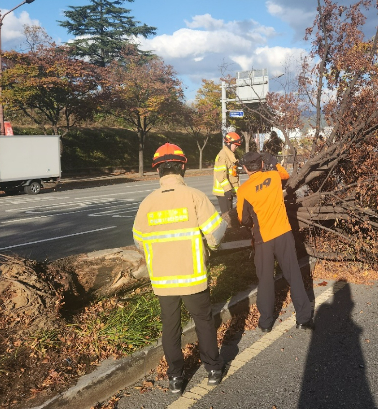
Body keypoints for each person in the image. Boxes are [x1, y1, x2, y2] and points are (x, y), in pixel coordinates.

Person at [133, 143, 226, 395]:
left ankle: (175, 378)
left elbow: (138, 241)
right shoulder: (195, 197)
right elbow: (216, 233)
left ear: (158, 171)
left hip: (163, 280)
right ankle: (213, 370)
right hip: (193, 276)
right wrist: (211, 248)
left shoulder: (147, 203)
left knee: (170, 327)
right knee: (204, 322)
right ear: (183, 166)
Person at [236, 151, 313, 332]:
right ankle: (304, 318)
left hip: (263, 239)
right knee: (293, 274)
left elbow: (243, 219)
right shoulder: (273, 176)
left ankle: (266, 323)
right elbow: (285, 175)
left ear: (245, 169)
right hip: (284, 233)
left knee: (265, 280)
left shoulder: (243, 190)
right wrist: (272, 160)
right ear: (262, 165)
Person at [213, 131, 242, 214]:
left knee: (230, 214)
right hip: (224, 192)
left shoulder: (230, 155)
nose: (237, 147)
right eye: (235, 145)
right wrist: (227, 190)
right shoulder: (223, 156)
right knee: (227, 217)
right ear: (229, 143)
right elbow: (221, 175)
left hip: (228, 191)